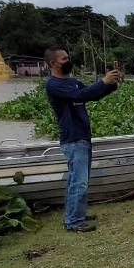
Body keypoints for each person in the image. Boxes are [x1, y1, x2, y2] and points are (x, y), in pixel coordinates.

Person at [44, 48, 122, 232]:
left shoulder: (71, 82)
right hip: (72, 139)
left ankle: (76, 214)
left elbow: (89, 94)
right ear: (53, 63)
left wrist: (110, 84)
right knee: (78, 182)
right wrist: (103, 81)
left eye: (68, 58)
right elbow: (80, 96)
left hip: (83, 137)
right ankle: (73, 222)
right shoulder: (53, 84)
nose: (68, 61)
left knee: (78, 180)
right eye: (64, 59)